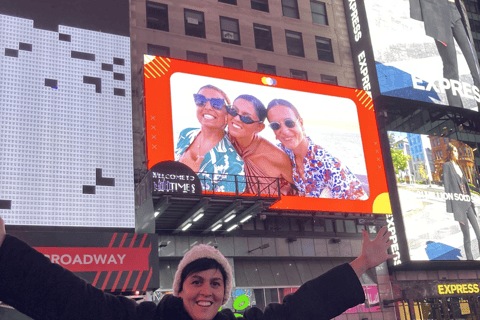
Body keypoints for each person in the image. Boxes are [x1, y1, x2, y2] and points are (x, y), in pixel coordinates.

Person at [0, 217, 395, 320]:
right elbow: (72, 302)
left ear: (226, 293)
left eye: (215, 284)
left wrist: (362, 263)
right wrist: (4, 253)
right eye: (196, 281)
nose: (206, 291)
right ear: (179, 287)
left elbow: (300, 310)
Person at [266, 99, 368, 200]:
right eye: (275, 125)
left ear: (301, 123)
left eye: (289, 123)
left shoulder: (327, 164)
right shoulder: (285, 151)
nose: (284, 131)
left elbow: (358, 204)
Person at [410, 0, 480, 108]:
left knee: (473, 64)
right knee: (451, 66)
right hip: (437, 14)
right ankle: (457, 108)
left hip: (453, 10)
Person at [175, 85, 245, 193]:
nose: (207, 107)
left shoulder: (233, 164)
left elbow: (224, 206)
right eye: (200, 100)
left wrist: (190, 175)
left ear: (228, 115)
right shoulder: (185, 134)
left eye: (216, 104)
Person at [226, 95, 296, 196]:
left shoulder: (277, 157)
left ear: (259, 127)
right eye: (233, 111)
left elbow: (300, 190)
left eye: (246, 118)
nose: (236, 118)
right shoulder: (221, 141)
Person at [443, 143, 480, 260]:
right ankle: (470, 260)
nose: (457, 153)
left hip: (467, 203)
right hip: (459, 206)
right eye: (455, 151)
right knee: (467, 235)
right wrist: (452, 208)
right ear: (450, 152)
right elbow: (447, 186)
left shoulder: (459, 166)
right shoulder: (447, 165)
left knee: (478, 233)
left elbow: (464, 184)